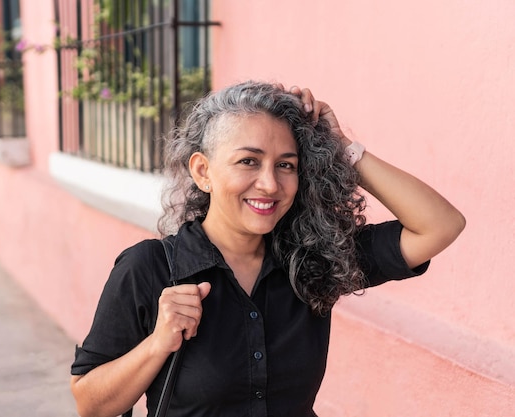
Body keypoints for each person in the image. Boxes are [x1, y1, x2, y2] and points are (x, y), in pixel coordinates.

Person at [70, 81, 465, 417]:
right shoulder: (151, 269)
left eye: (286, 165)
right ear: (202, 171)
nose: (270, 184)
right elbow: (89, 401)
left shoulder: (313, 261)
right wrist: (158, 343)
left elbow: (439, 226)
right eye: (248, 161)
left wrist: (343, 146)